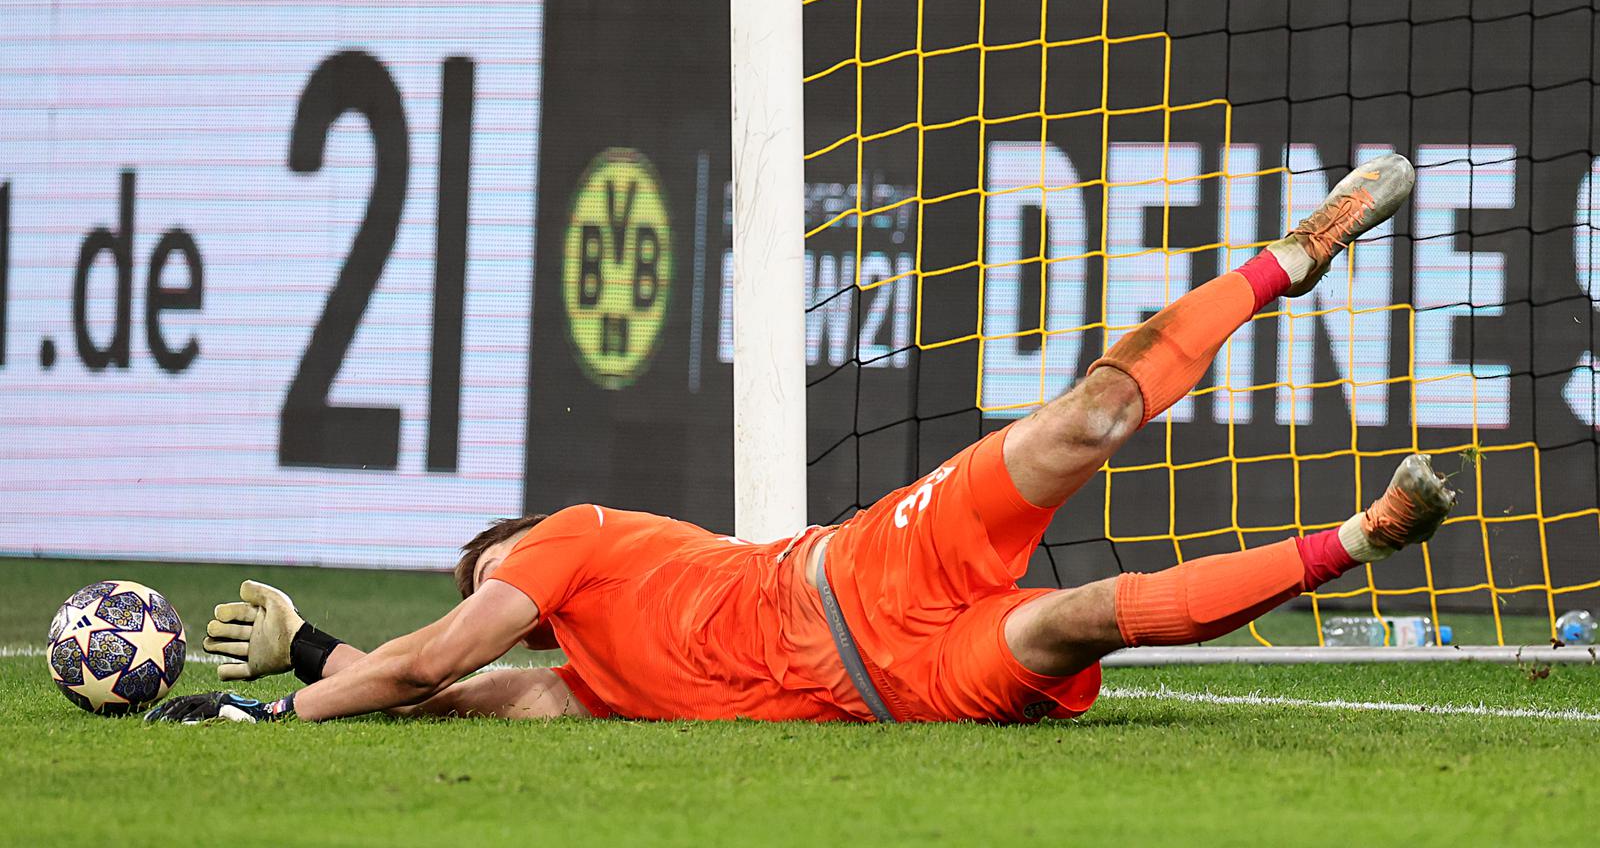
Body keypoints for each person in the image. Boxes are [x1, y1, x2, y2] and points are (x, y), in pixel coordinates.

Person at [147, 153, 1453, 726]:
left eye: (482, 574)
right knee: (1085, 616)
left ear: (508, 552)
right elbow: (436, 692)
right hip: (897, 682)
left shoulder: (566, 540)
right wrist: (315, 655)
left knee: (1084, 417)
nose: (484, 591)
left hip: (868, 566)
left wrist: (278, 707)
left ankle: (1291, 254)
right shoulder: (577, 683)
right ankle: (1360, 536)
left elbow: (434, 656)